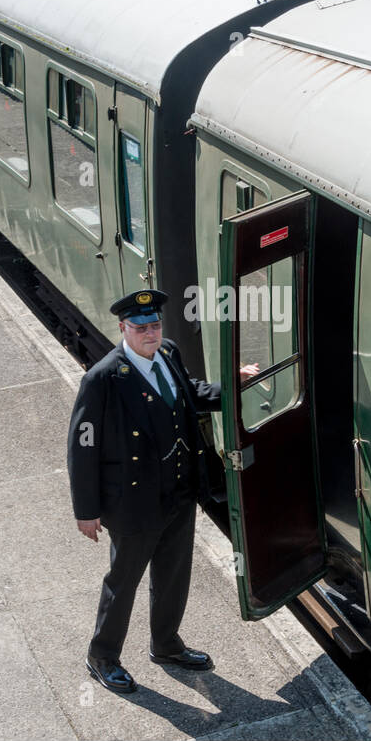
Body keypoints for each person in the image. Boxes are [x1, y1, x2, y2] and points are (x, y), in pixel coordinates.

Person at [68, 288, 252, 694]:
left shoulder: (168, 353)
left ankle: (166, 644)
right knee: (124, 581)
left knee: (173, 576)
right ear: (123, 328)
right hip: (132, 503)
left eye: (154, 325)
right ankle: (102, 656)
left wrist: (232, 387)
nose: (150, 333)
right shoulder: (102, 379)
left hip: (179, 491)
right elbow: (82, 449)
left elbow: (190, 396)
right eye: (140, 327)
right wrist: (86, 510)